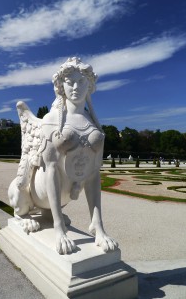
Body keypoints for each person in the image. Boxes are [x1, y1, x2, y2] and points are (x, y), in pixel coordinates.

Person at [8, 57, 118, 254]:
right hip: (35, 196)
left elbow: (93, 175)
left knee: (94, 175)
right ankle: (23, 216)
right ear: (61, 85)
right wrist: (59, 230)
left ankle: (97, 226)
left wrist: (99, 227)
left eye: (82, 81)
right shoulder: (51, 121)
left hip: (61, 199)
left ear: (90, 85)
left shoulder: (93, 124)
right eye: (70, 82)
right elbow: (50, 170)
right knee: (19, 189)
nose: (75, 87)